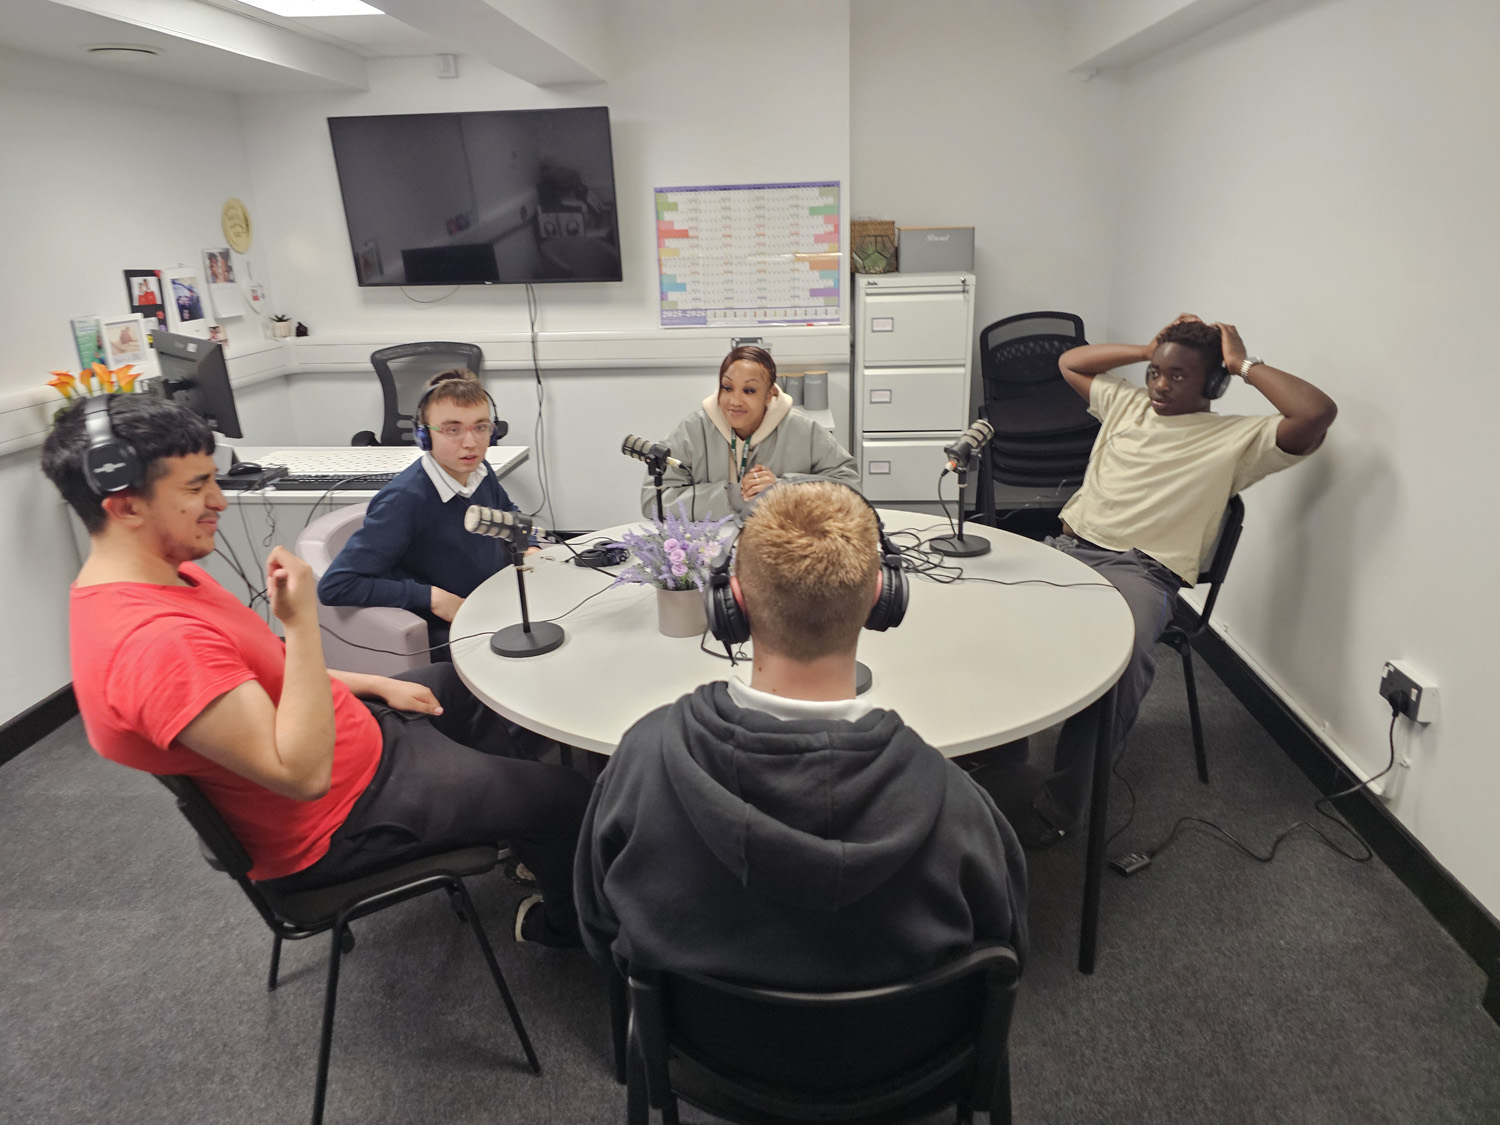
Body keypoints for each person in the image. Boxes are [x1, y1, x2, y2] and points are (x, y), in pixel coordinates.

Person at [42, 394, 589, 947]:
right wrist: (303, 624)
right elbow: (302, 776)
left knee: (480, 685)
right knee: (564, 796)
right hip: (339, 816)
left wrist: (374, 683)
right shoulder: (154, 644)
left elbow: (267, 674)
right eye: (194, 488)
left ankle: (525, 832)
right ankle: (561, 925)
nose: (218, 502)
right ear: (125, 505)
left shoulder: (165, 578)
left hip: (355, 736)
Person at [576, 481, 1027, 988]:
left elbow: (599, 928)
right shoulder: (958, 807)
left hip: (700, 1054)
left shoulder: (642, 761)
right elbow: (1004, 946)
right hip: (904, 1060)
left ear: (733, 603)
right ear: (882, 595)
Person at [1018, 314, 1338, 848]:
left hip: (1141, 570)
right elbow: (1069, 362)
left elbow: (1316, 412)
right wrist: (1149, 348)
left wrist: (1243, 363)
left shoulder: (1238, 437)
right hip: (1069, 550)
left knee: (1120, 663)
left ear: (1214, 382)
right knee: (984, 617)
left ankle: (1059, 808)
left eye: (1179, 376)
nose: (1161, 386)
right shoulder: (1127, 403)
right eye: (1155, 373)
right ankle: (994, 757)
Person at [319, 369, 539, 657]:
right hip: (451, 632)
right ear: (423, 437)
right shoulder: (404, 501)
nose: (471, 442)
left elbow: (506, 512)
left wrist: (530, 545)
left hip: (492, 602)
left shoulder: (479, 471)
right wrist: (431, 597)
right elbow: (336, 586)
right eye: (452, 429)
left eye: (481, 427)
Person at [643, 344, 859, 521]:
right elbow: (654, 501)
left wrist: (783, 490)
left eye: (749, 391)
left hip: (783, 546)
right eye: (727, 388)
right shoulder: (694, 429)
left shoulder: (803, 430)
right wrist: (732, 496)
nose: (735, 401)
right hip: (707, 550)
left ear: (769, 394)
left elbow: (850, 487)